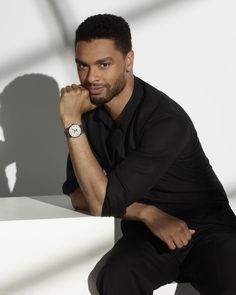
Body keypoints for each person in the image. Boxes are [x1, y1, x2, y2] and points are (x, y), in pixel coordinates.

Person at [60, 14, 236, 295]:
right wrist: (147, 213)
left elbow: (100, 200)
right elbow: (81, 197)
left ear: (128, 60)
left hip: (207, 231)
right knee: (115, 277)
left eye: (104, 65)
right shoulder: (88, 119)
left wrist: (71, 120)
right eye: (83, 66)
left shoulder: (165, 120)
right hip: (147, 235)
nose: (91, 78)